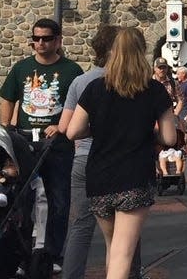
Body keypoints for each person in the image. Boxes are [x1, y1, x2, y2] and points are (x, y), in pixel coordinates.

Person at [65, 27, 177, 279]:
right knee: (123, 253)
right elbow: (170, 137)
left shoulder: (95, 88)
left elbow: (73, 131)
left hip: (99, 176)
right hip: (134, 176)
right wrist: (149, 134)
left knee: (112, 247)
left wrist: (101, 129)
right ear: (141, 53)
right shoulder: (154, 90)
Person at [58, 25, 144, 279]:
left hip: (84, 159)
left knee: (80, 227)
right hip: (123, 162)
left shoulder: (81, 81)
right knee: (127, 233)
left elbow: (66, 127)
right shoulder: (131, 81)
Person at [0, 17, 83, 271]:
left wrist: (63, 126)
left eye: (46, 38)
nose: (40, 43)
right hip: (25, 140)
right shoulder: (21, 68)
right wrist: (6, 128)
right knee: (21, 199)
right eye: (36, 39)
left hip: (56, 144)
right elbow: (7, 96)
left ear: (58, 41)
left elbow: (81, 104)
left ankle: (53, 254)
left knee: (59, 200)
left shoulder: (72, 71)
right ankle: (22, 253)